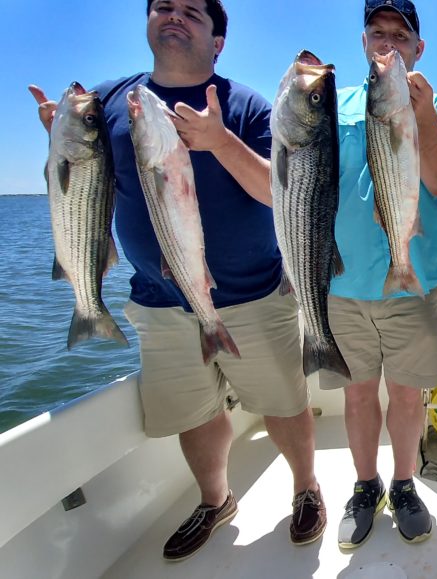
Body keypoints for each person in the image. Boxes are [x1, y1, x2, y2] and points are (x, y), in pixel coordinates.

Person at [29, 0, 325, 561]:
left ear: (218, 41)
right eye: (163, 6)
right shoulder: (110, 102)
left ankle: (306, 489)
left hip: (253, 294)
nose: (174, 16)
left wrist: (220, 141)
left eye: (192, 12)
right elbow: (80, 186)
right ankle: (216, 500)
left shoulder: (246, 106)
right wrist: (59, 137)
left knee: (284, 402)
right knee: (195, 411)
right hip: (158, 299)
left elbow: (281, 192)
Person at [327, 0, 437, 549]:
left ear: (418, 48)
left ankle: (404, 484)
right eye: (378, 32)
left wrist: (423, 114)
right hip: (342, 282)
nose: (388, 43)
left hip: (415, 278)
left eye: (401, 35)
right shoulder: (331, 105)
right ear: (363, 41)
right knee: (358, 395)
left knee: (408, 397)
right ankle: (366, 487)